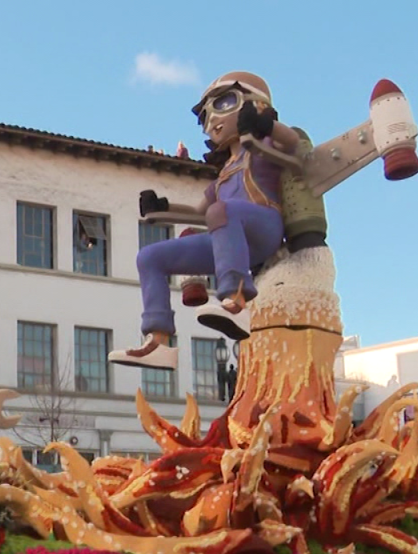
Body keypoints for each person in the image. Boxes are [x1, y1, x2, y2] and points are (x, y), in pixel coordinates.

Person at [109, 71, 300, 370]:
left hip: (263, 228)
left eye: (224, 103)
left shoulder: (265, 149)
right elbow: (200, 211)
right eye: (205, 114)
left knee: (221, 211)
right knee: (150, 257)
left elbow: (293, 143)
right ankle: (157, 342)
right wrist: (162, 205)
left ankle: (236, 303)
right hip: (227, 235)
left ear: (254, 104)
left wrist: (268, 126)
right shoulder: (225, 173)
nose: (212, 119)